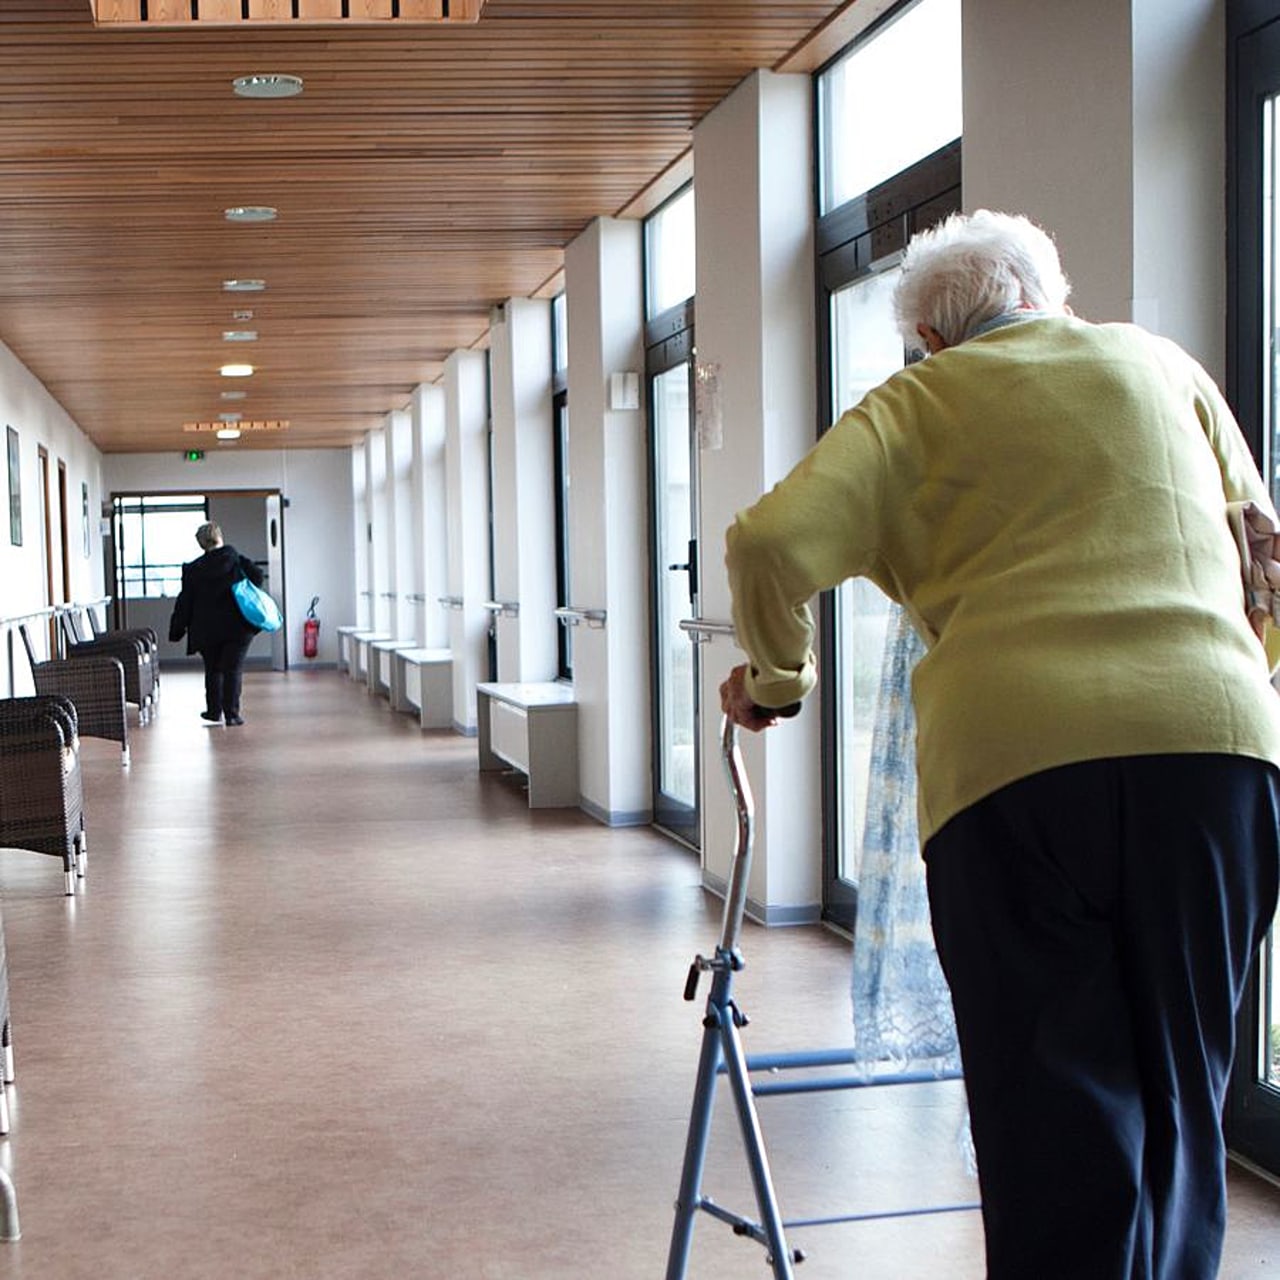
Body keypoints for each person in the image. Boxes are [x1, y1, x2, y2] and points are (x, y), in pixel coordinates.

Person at [721, 209, 1280, 1280]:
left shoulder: (916, 403)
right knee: (1183, 1094)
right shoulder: (1161, 367)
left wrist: (778, 682)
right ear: (1045, 295)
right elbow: (1264, 552)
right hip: (1211, 759)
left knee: (1048, 1110)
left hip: (1012, 772)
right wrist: (1235, 685)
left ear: (929, 338)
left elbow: (768, 541)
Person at [168, 521, 264, 727]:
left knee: (213, 669)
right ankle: (232, 714)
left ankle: (214, 711)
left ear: (201, 544)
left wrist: (177, 628)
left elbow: (185, 601)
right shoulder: (235, 559)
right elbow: (257, 577)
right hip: (238, 627)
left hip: (206, 629)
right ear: (220, 537)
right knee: (233, 669)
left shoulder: (193, 569)